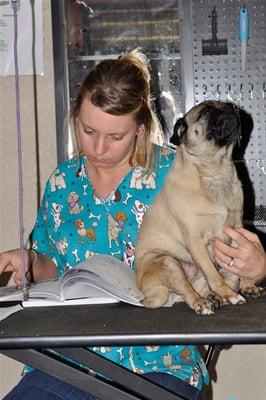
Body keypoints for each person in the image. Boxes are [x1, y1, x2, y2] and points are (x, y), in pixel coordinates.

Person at [0, 49, 208, 400]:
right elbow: (53, 266)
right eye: (88, 130)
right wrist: (32, 263)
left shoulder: (178, 176)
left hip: (159, 361)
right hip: (70, 360)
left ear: (140, 129)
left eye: (115, 137)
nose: (98, 148)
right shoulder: (63, 182)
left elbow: (220, 262)